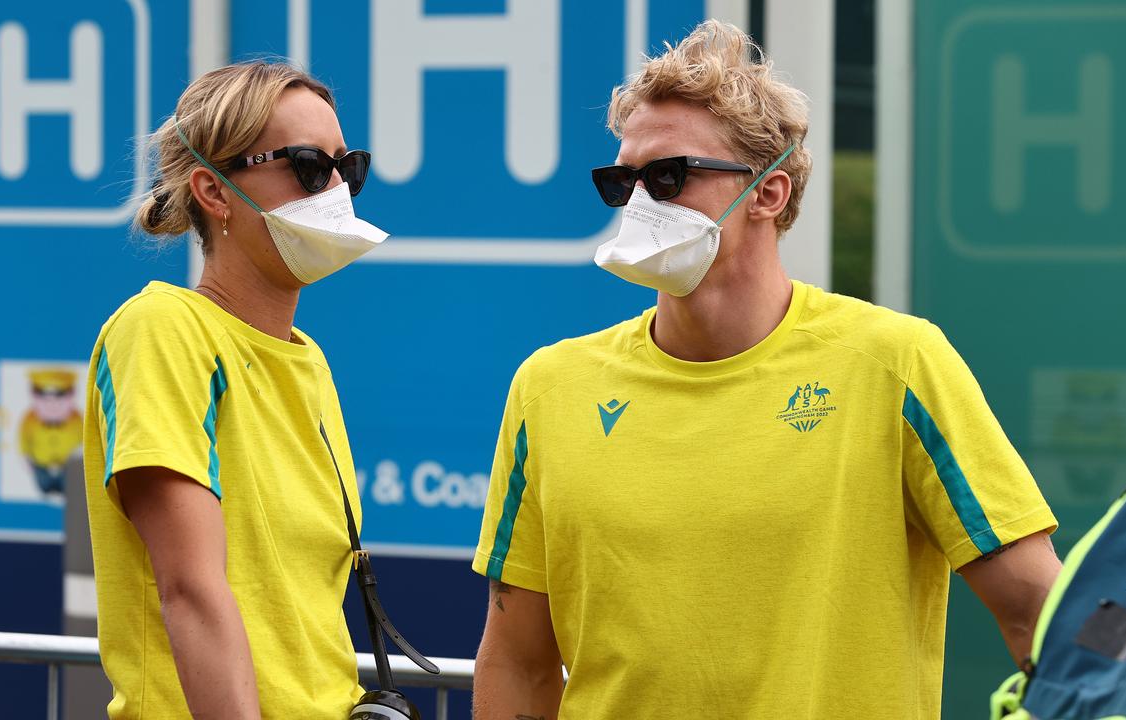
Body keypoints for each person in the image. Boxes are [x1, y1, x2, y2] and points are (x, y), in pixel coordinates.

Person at [472, 21, 1062, 719]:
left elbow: (1039, 615)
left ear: (769, 193)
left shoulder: (895, 361)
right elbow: (518, 661)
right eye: (621, 181)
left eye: (668, 177)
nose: (639, 204)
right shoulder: (550, 385)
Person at [82, 61, 386, 719]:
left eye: (348, 167)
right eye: (309, 166)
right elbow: (191, 590)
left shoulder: (308, 360)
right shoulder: (163, 329)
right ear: (213, 193)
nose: (337, 188)